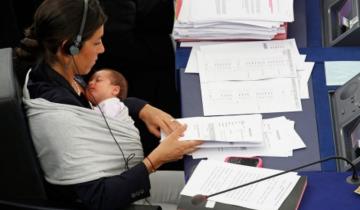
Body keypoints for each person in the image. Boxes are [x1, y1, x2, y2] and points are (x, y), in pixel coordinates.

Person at [15, 0, 202, 209]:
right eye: (96, 42)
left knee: (207, 186)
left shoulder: (58, 73)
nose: (103, 49)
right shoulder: (58, 115)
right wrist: (156, 160)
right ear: (70, 47)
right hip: (114, 199)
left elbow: (96, 111)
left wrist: (141, 108)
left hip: (121, 180)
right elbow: (99, 198)